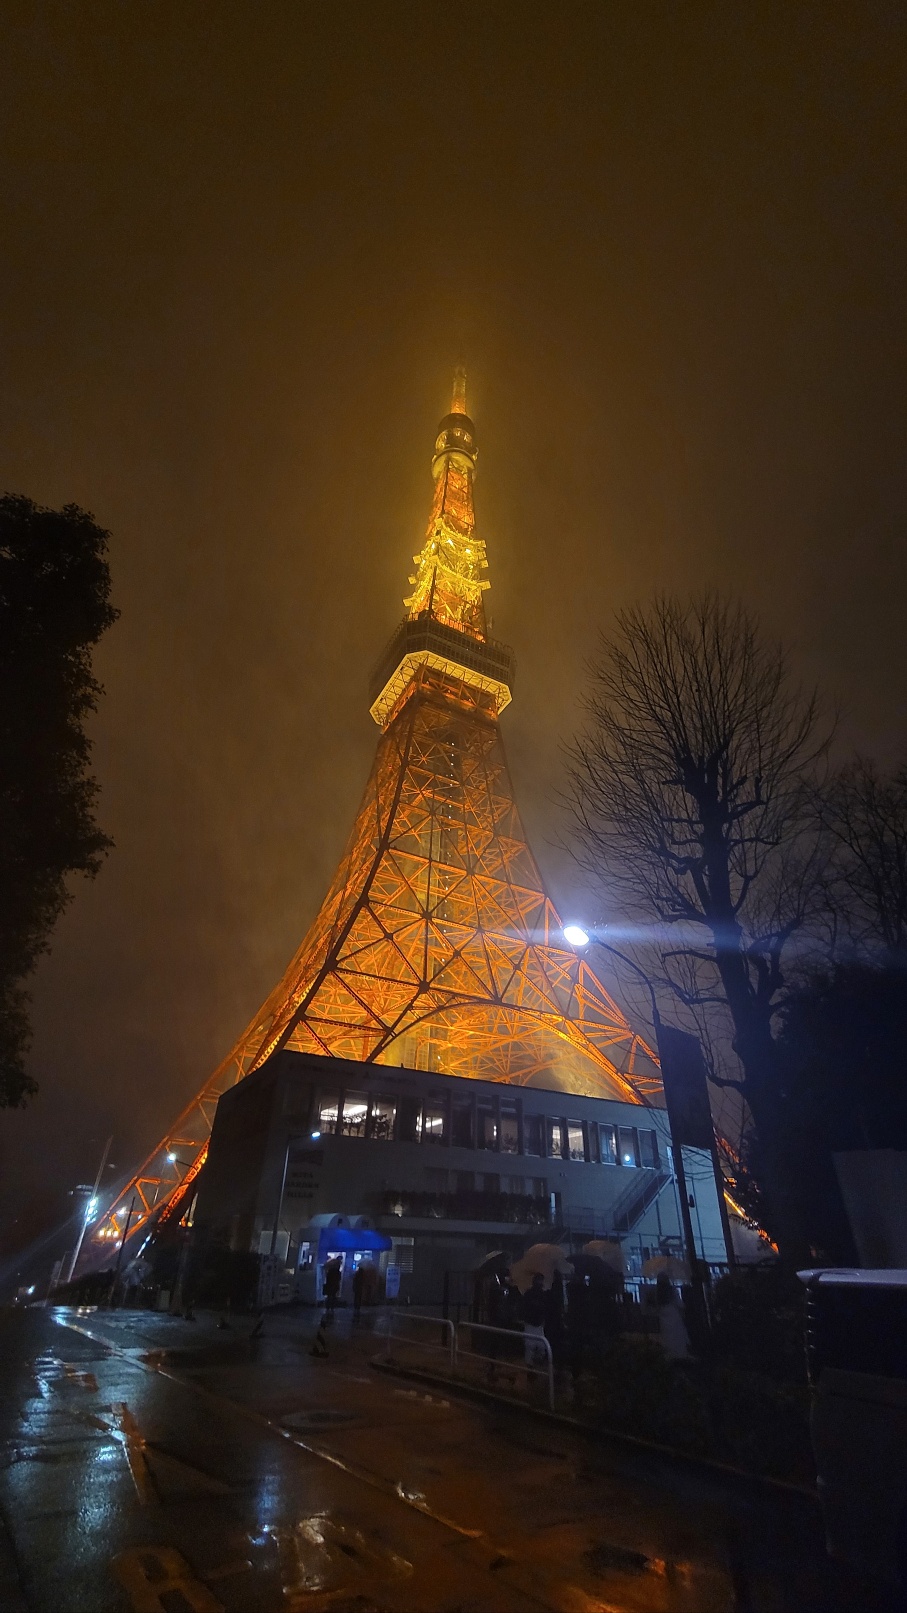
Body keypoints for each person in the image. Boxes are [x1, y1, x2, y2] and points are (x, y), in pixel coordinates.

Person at [655, 1271, 692, 1360]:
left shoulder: (657, 1293)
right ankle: (680, 1355)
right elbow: (679, 1303)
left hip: (663, 1316)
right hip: (673, 1314)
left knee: (667, 1337)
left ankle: (670, 1355)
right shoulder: (672, 1290)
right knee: (677, 1335)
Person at [521, 1273, 548, 1378]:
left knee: (531, 1347)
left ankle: (531, 1367)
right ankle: (532, 1367)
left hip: (532, 1323)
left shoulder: (530, 1293)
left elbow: (524, 1307)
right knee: (539, 1347)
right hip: (536, 1323)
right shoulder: (542, 1294)